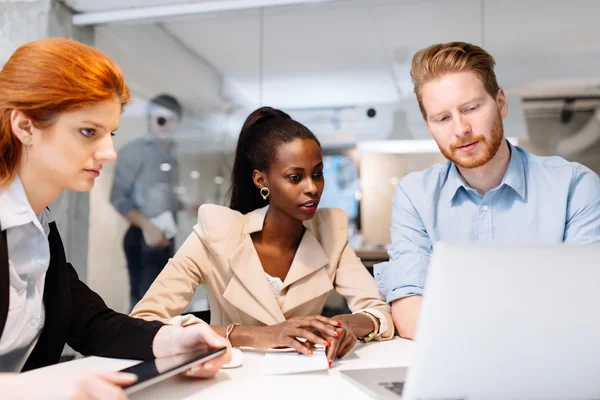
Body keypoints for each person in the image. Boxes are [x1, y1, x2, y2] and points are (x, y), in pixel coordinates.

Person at [0, 38, 230, 399]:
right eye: (89, 132)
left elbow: (89, 323)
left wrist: (173, 339)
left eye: (111, 134)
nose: (108, 153)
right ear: (25, 126)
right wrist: (34, 387)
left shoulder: (40, 229)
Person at [131, 107, 394, 366]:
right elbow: (143, 322)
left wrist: (345, 324)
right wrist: (253, 335)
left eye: (317, 174)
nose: (312, 188)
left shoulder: (330, 231)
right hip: (228, 382)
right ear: (261, 180)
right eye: (295, 177)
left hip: (307, 379)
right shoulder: (217, 231)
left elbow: (378, 311)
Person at [374, 41, 600, 340]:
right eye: (442, 118)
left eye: (471, 108)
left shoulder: (574, 186)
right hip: (452, 364)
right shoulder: (414, 195)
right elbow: (409, 312)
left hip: (549, 362)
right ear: (429, 126)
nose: (460, 129)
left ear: (501, 104)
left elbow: (583, 302)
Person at [110, 94, 184, 308]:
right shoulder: (134, 151)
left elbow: (161, 194)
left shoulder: (173, 152)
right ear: (150, 118)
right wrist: (146, 226)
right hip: (141, 236)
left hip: (165, 236)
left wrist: (185, 205)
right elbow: (118, 197)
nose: (164, 124)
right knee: (144, 303)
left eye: (170, 119)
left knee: (165, 301)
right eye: (160, 118)